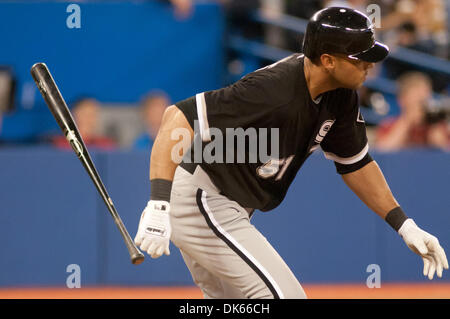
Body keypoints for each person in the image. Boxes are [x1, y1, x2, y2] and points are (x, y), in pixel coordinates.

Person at [134, 7, 448, 299]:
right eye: (359, 57)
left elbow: (357, 164)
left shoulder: (341, 96)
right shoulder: (273, 89)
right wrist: (158, 203)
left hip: (228, 204)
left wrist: (404, 224)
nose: (369, 65)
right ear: (328, 60)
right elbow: (176, 117)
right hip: (204, 198)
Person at [375, 72, 449, 151]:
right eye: (416, 96)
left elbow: (445, 155)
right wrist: (407, 120)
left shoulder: (438, 126)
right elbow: (382, 152)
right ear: (402, 100)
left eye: (426, 95)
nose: (423, 100)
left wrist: (434, 126)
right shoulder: (388, 125)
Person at [52, 97, 117, 150]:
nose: (88, 118)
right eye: (84, 114)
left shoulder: (105, 144)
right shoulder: (58, 143)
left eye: (92, 114)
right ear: (74, 114)